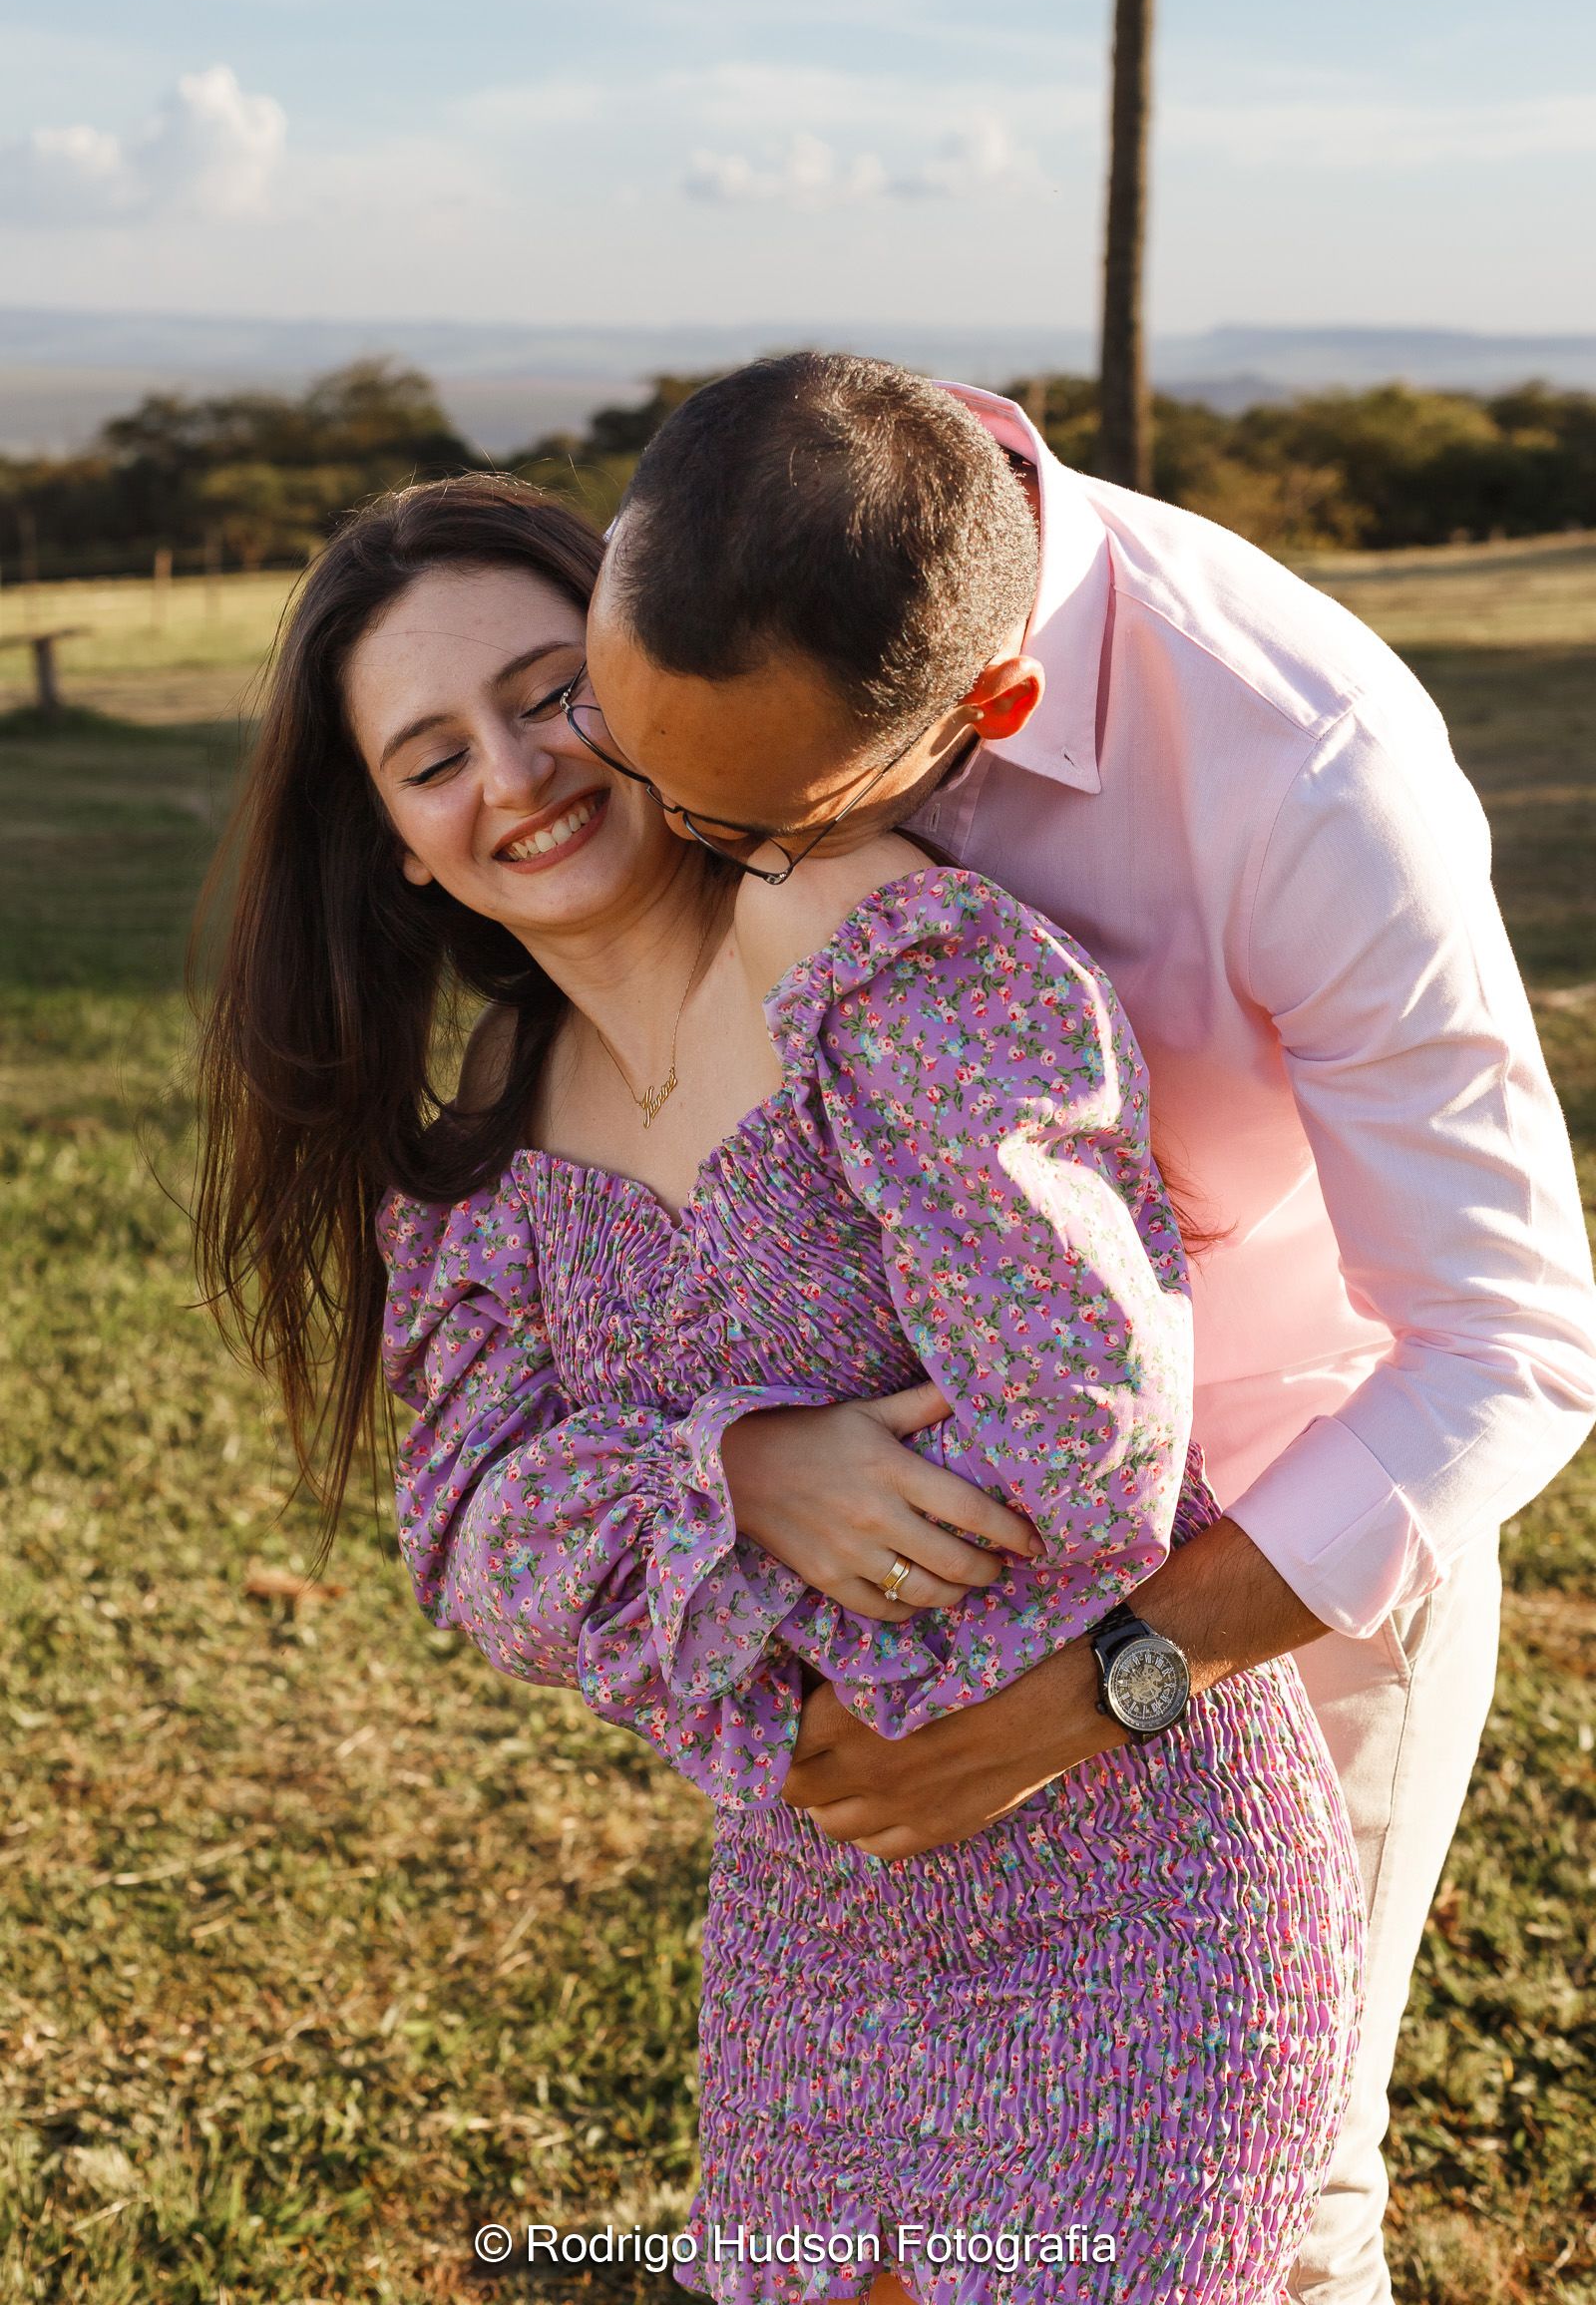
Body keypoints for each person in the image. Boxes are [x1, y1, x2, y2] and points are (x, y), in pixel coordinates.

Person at [194, 473, 1364, 2305]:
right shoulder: (495, 1138)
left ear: (649, 679)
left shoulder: (878, 952)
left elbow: (1088, 1431)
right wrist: (734, 1470)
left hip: (1141, 1880)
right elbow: (472, 1538)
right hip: (817, 1930)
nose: (514, 772)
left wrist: (788, 1640)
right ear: (399, 847)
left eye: (548, 688)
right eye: (431, 758)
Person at [567, 353, 1596, 2305]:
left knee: (1258, 2224)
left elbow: (1509, 1340)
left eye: (758, 831)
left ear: (993, 717)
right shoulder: (704, 613)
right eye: (639, 776)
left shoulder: (1306, 768)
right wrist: (741, 1459)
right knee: (869, 2219)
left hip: (1269, 1562)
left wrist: (1099, 1688)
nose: (672, 858)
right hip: (873, 1581)